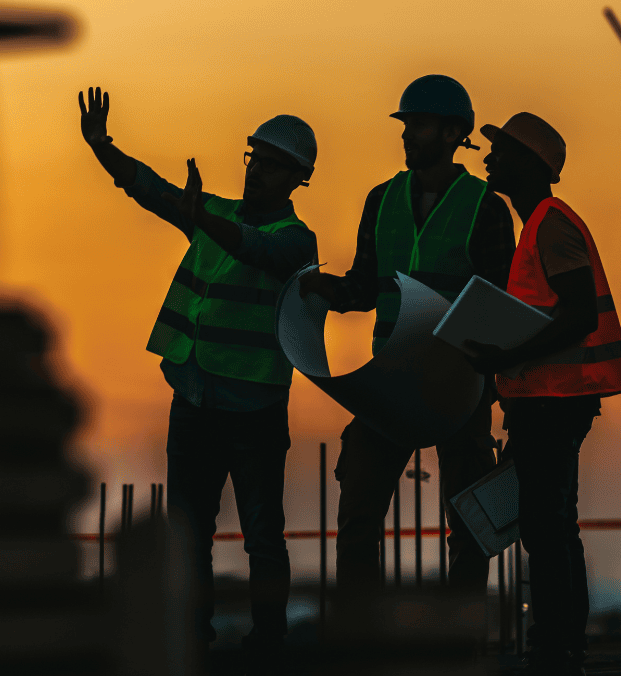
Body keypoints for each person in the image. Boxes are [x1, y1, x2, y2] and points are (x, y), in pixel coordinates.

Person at [78, 87, 318, 673]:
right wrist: (103, 148)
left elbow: (259, 250)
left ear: (296, 178)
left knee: (263, 535)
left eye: (269, 163)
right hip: (195, 396)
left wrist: (201, 217)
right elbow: (152, 190)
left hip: (254, 407)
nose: (256, 170)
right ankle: (193, 636)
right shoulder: (213, 215)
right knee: (189, 534)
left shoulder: (298, 240)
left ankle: (268, 644)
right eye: (253, 157)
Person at [299, 75, 514, 604]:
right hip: (391, 384)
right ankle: (363, 645)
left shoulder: (483, 206)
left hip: (459, 386)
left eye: (417, 124)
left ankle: (458, 646)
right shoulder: (382, 200)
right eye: (407, 124)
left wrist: (491, 387)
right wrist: (329, 292)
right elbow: (367, 284)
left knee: (468, 526)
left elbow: (501, 307)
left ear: (451, 133)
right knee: (357, 522)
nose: (407, 135)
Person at [464, 112, 621, 675]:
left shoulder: (550, 225)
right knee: (553, 525)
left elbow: (578, 313)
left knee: (548, 527)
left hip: (556, 402)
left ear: (529, 164)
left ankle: (556, 648)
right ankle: (560, 645)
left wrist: (505, 356)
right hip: (543, 400)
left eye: (501, 151)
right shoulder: (536, 224)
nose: (488, 159)